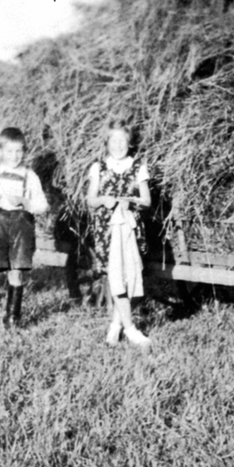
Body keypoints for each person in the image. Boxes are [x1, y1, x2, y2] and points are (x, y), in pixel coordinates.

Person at [0, 127, 50, 328]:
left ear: (24, 151)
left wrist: (25, 201)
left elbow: (43, 206)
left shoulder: (29, 176)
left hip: (22, 229)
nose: (14, 156)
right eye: (10, 151)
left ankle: (12, 317)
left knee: (16, 273)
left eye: (19, 151)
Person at [87, 119, 152, 348]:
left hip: (129, 228)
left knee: (127, 275)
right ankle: (131, 329)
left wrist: (131, 201)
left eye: (122, 140)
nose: (118, 145)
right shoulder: (99, 168)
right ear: (106, 142)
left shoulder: (137, 167)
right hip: (107, 230)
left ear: (129, 142)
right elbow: (91, 200)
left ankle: (116, 326)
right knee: (116, 276)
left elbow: (147, 201)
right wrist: (104, 200)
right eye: (113, 140)